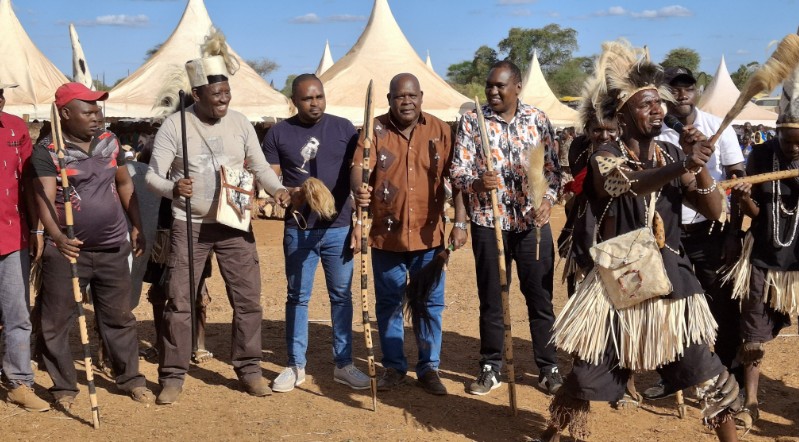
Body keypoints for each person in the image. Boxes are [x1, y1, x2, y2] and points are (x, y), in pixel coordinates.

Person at [535, 41, 741, 442]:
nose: (657, 110)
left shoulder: (667, 153)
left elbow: (716, 209)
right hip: (618, 284)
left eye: (658, 104)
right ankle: (552, 435)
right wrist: (684, 163)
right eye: (645, 105)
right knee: (584, 377)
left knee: (708, 372)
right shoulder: (605, 155)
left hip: (671, 284)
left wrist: (698, 168)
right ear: (622, 115)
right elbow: (623, 185)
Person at [146, 32, 290, 404]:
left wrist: (278, 191)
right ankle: (173, 375)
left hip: (235, 224)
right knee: (180, 301)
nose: (225, 99)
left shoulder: (241, 123)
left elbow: (258, 165)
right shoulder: (174, 126)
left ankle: (249, 368)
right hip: (189, 226)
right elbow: (151, 177)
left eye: (227, 92)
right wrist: (174, 189)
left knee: (248, 300)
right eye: (217, 94)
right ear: (197, 95)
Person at [31, 82, 153, 410]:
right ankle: (64, 388)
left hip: (114, 246)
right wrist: (57, 237)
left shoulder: (111, 142)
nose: (96, 117)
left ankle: (130, 379)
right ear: (66, 114)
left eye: (98, 110)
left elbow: (125, 184)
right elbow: (43, 198)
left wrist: (138, 225)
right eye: (88, 111)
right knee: (57, 320)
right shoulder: (47, 151)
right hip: (69, 250)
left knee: (119, 317)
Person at [450, 60, 563, 397]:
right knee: (493, 299)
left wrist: (548, 200)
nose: (493, 92)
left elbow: (554, 169)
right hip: (489, 223)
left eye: (500, 86)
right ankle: (491, 366)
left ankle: (548, 367)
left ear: (517, 88)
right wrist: (476, 183)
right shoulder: (473, 121)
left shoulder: (538, 119)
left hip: (532, 225)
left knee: (540, 298)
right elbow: (457, 171)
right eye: (489, 86)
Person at [351, 73, 466, 396]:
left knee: (429, 303)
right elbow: (358, 169)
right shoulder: (373, 130)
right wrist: (359, 187)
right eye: (400, 96)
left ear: (421, 97)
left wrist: (460, 222)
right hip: (387, 236)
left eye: (412, 96)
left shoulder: (439, 130)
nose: (406, 102)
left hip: (430, 236)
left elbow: (455, 179)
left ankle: (429, 368)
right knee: (388, 303)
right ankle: (394, 366)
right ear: (389, 99)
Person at [262, 74, 369, 393]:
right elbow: (271, 179)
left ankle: (344, 364)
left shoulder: (344, 128)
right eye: (308, 99)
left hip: (339, 228)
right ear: (293, 101)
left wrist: (360, 213)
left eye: (320, 96)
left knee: (341, 296)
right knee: (297, 296)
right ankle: (295, 365)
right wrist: (284, 193)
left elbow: (357, 170)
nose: (316, 103)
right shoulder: (279, 133)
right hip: (299, 229)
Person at [646, 66, 745, 399]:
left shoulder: (717, 126)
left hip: (710, 230)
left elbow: (736, 175)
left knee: (722, 304)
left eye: (687, 86)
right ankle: (673, 375)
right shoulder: (655, 132)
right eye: (674, 87)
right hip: (666, 233)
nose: (682, 93)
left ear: (696, 90)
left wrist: (733, 230)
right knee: (670, 307)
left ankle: (729, 375)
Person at [723, 63, 799, 428]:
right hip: (764, 256)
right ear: (777, 133)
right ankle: (750, 401)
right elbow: (757, 212)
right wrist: (742, 200)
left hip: (798, 259)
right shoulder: (761, 155)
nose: (794, 148)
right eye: (788, 140)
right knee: (752, 330)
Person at [0, 81, 50, 412]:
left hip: (12, 235)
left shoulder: (16, 127)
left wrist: (38, 228)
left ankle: (19, 381)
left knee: (17, 313)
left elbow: (29, 184)